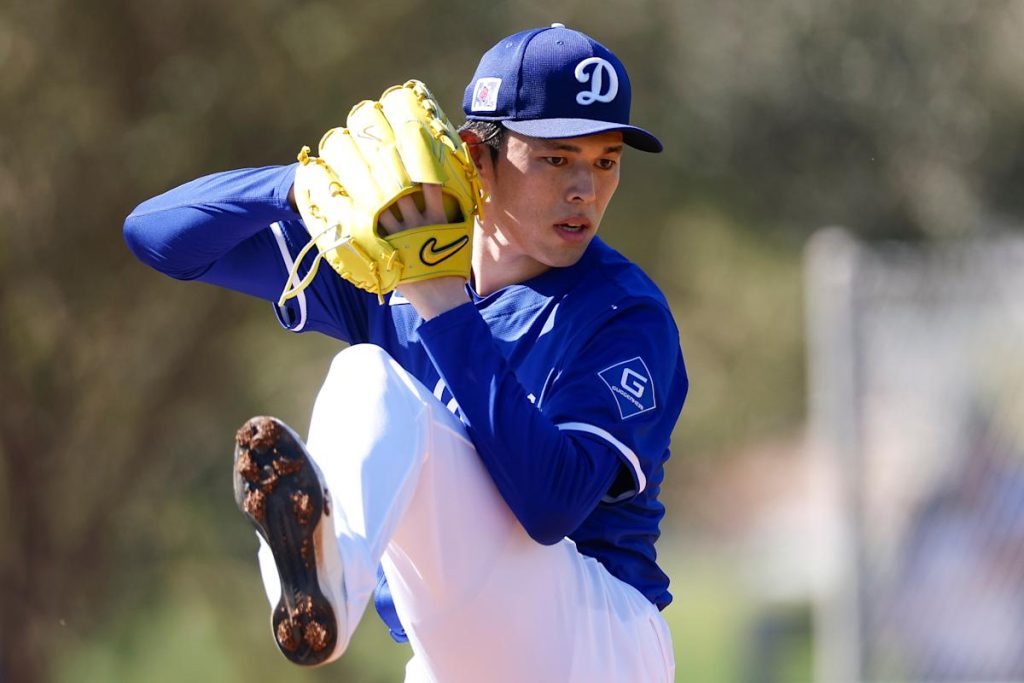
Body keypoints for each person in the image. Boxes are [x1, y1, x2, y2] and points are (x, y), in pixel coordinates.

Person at [124, 23, 687, 683]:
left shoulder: (622, 312)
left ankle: (332, 579)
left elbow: (551, 507)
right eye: (556, 159)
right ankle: (324, 579)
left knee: (370, 377)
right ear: (476, 156)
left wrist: (440, 301)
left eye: (606, 160)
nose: (585, 190)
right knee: (363, 375)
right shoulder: (387, 263)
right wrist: (298, 186)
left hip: (596, 640)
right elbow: (156, 237)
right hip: (451, 649)